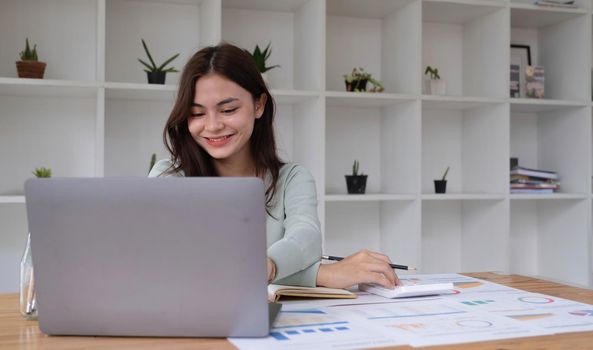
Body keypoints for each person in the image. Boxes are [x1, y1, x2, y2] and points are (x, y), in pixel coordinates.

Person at [149, 43, 400, 289]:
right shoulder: (169, 178)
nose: (213, 125)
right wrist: (321, 275)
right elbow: (178, 265)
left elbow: (306, 238)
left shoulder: (292, 178)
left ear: (259, 105)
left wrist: (268, 266)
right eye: (197, 113)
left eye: (228, 109)